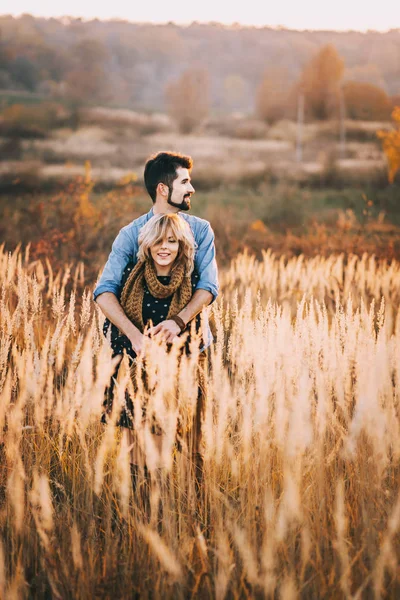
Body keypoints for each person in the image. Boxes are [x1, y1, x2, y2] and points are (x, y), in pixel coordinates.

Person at [94, 151, 218, 485]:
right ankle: (145, 511)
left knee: (192, 439)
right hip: (137, 353)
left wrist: (178, 322)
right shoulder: (131, 234)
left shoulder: (200, 231)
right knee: (140, 432)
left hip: (190, 350)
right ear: (163, 189)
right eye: (185, 182)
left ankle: (193, 512)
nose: (191, 188)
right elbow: (104, 291)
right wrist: (135, 337)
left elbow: (208, 286)